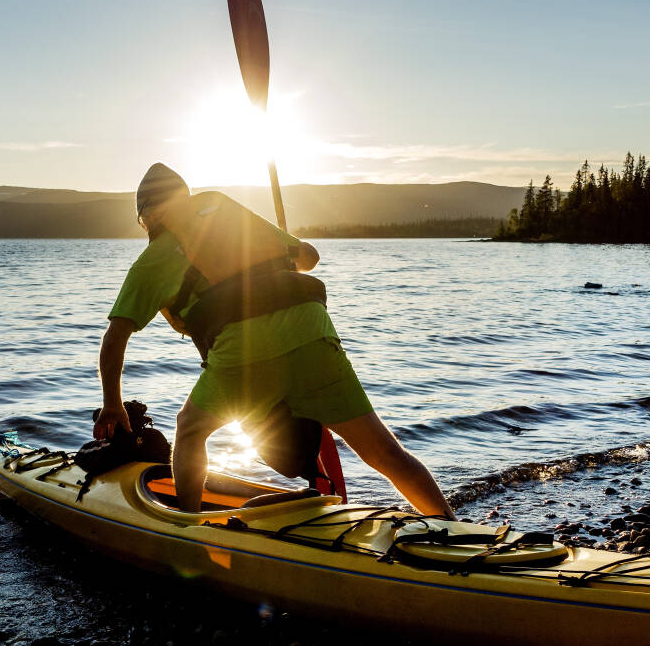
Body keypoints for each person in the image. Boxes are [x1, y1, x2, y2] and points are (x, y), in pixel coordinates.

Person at [95, 162, 455, 519]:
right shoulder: (231, 218)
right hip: (315, 333)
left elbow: (115, 339)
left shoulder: (152, 261)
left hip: (247, 347)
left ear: (148, 217)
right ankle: (456, 531)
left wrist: (113, 403)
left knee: (189, 429)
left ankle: (187, 525)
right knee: (384, 453)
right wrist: (279, 250)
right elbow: (310, 258)